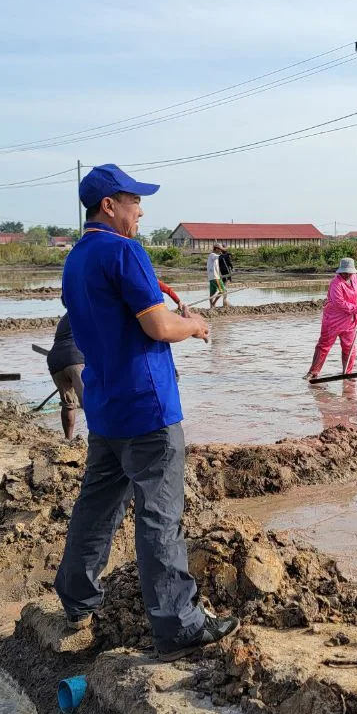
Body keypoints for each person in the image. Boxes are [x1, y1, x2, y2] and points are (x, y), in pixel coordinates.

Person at [54, 164, 239, 659]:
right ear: (109, 206)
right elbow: (157, 326)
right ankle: (177, 624)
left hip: (106, 406)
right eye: (134, 201)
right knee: (160, 515)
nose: (141, 210)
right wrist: (194, 325)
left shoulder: (75, 260)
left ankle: (76, 595)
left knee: (96, 506)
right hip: (148, 408)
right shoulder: (124, 250)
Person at [303, 257, 357, 380]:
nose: (347, 275)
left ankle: (347, 373)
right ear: (340, 272)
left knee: (349, 348)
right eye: (345, 272)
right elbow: (340, 303)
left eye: (349, 273)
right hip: (333, 321)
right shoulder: (336, 283)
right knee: (323, 346)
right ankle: (313, 372)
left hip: (349, 322)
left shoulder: (354, 279)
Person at [46, 313, 84, 440]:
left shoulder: (66, 317)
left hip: (55, 359)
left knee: (68, 404)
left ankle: (68, 440)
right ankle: (100, 440)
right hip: (75, 357)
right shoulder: (89, 309)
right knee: (87, 400)